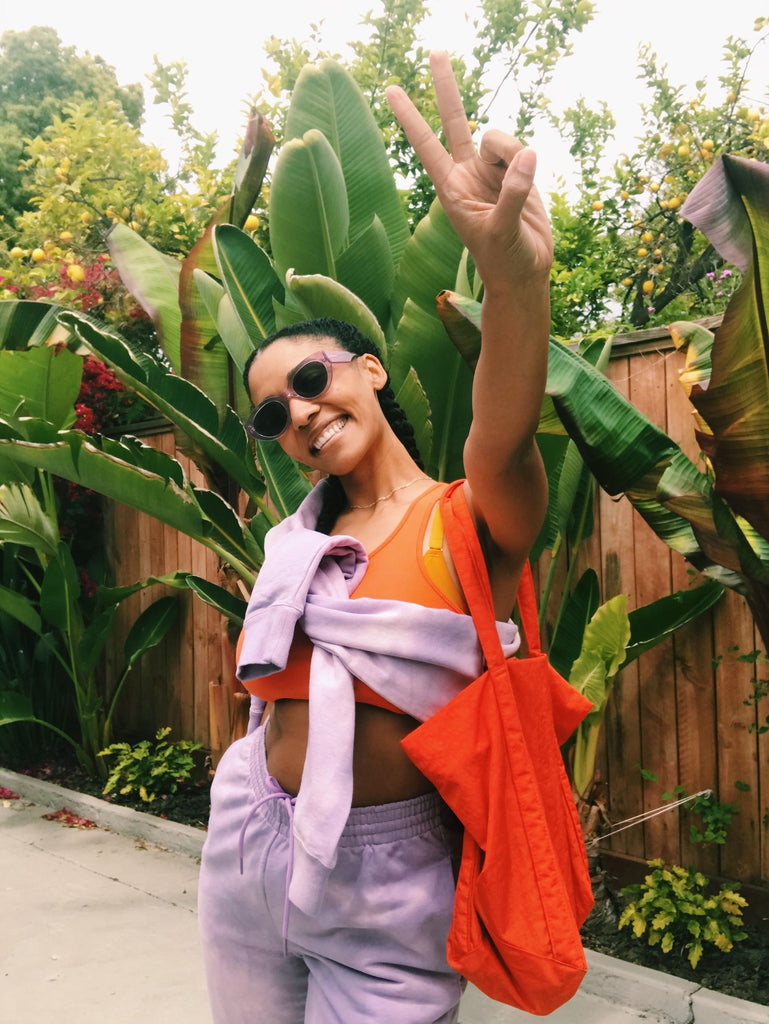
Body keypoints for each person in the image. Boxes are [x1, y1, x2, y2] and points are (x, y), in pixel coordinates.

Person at [197, 50, 552, 1024]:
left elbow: (505, 434)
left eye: (311, 380)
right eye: (272, 415)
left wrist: (514, 283)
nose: (299, 414)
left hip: (387, 879)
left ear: (370, 369)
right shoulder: (293, 541)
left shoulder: (460, 520)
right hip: (248, 844)